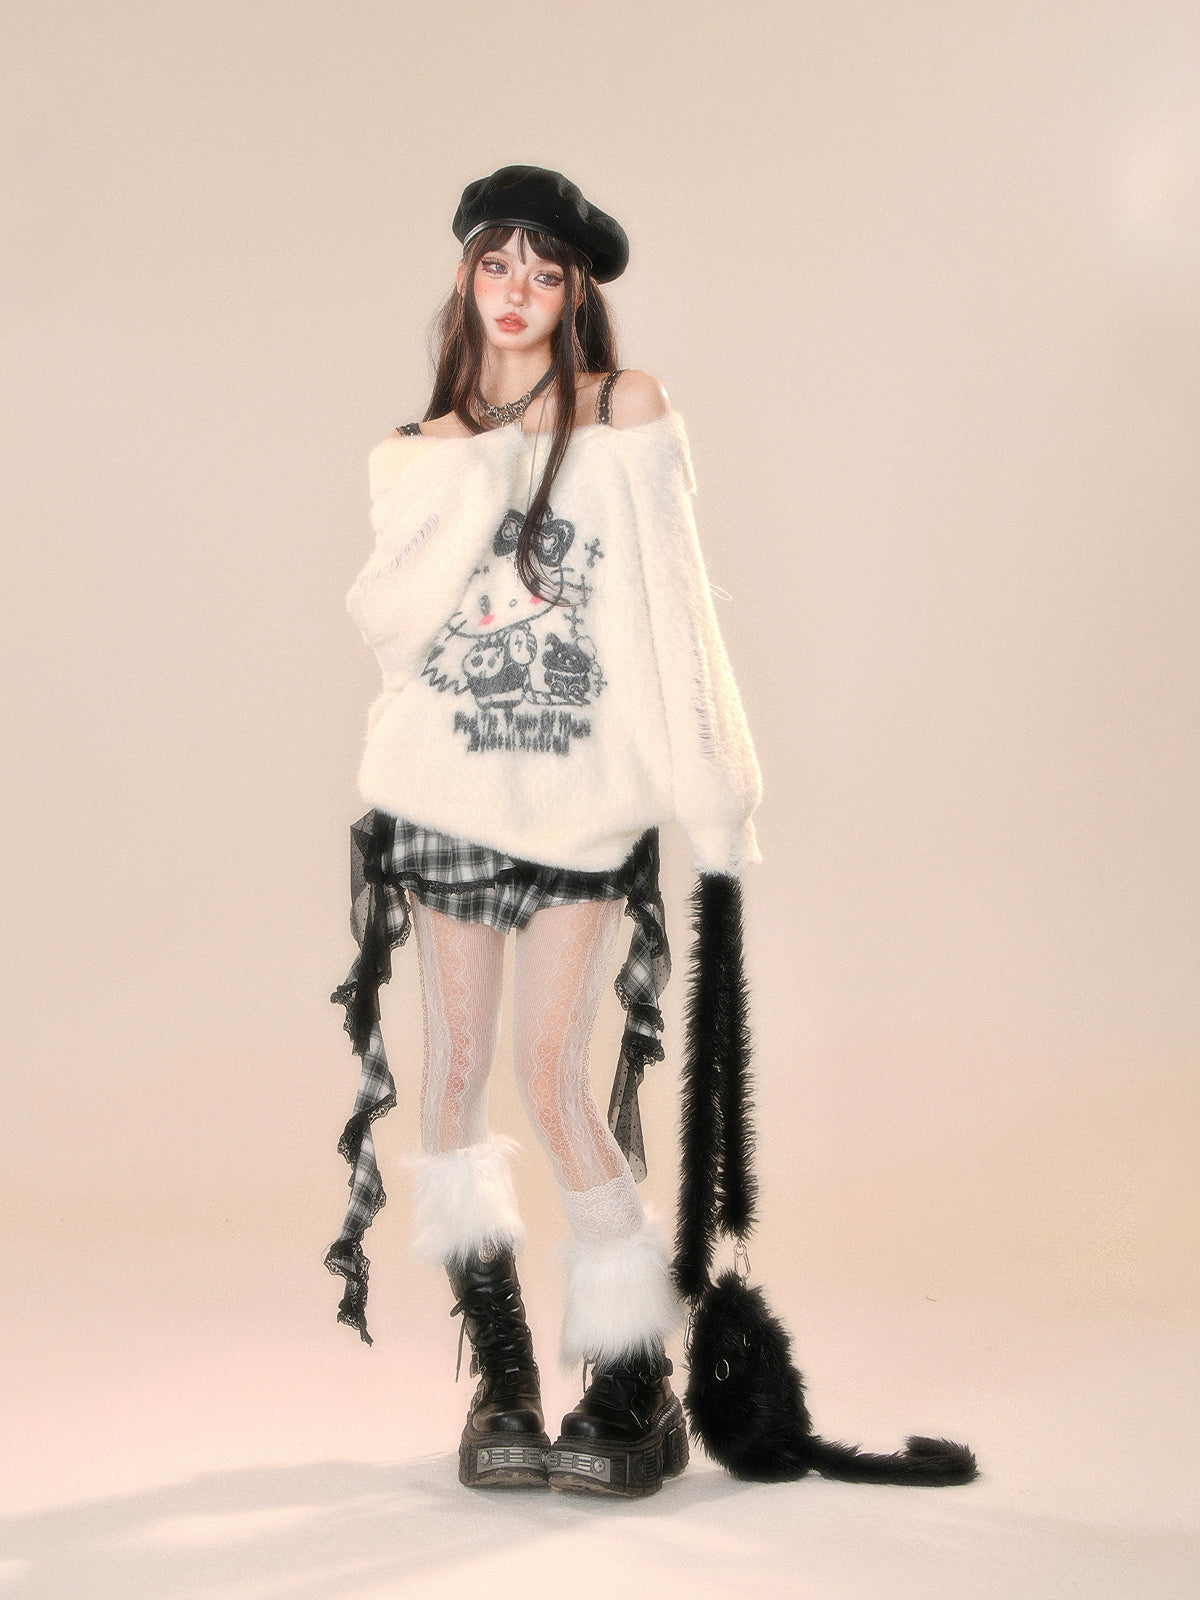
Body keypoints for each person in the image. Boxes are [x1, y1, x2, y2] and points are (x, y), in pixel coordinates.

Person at [327, 165, 762, 1499]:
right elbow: (389, 624)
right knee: (455, 1075)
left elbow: (676, 608)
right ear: (466, 276)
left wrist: (715, 787)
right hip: (448, 793)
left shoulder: (624, 412)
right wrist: (471, 468)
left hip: (580, 802)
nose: (517, 291)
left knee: (555, 1078)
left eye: (546, 271)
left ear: (575, 294)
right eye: (497, 264)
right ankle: (506, 1377)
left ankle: (633, 1379)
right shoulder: (420, 447)